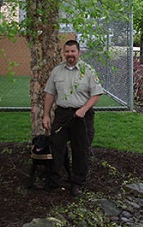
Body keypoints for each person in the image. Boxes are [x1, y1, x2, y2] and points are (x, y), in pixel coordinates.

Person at [42, 39, 104, 196]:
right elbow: (50, 93)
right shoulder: (57, 71)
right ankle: (54, 180)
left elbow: (96, 93)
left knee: (80, 149)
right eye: (67, 51)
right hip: (62, 114)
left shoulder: (88, 70)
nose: (70, 55)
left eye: (73, 51)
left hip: (81, 116)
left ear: (79, 53)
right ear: (63, 53)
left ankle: (77, 183)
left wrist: (83, 109)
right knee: (56, 145)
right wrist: (46, 115)